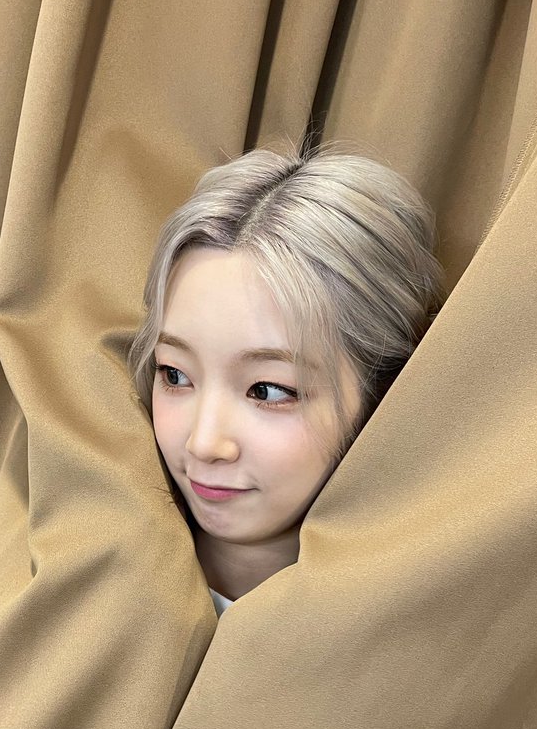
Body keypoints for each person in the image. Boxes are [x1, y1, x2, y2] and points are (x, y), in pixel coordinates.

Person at [128, 143, 444, 615]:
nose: (203, 444)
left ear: (383, 388)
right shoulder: (98, 576)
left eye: (268, 390)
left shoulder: (418, 618)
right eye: (175, 375)